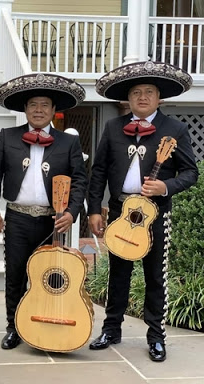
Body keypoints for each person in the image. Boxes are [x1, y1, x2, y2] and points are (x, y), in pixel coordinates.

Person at [88, 61, 198, 362]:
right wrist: (94, 209)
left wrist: (165, 187)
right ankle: (112, 330)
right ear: (128, 99)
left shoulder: (174, 129)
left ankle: (156, 337)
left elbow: (191, 172)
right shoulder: (112, 127)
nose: (142, 97)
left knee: (154, 276)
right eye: (136, 92)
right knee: (118, 275)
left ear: (159, 97)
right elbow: (98, 172)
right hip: (122, 209)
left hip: (156, 213)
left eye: (149, 92)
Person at [0, 73, 88, 350]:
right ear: (25, 109)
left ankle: (45, 322)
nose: (39, 110)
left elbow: (80, 180)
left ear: (54, 110)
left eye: (45, 105)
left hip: (52, 221)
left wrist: (73, 212)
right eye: (33, 105)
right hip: (17, 217)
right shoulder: (8, 136)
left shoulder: (67, 142)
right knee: (16, 273)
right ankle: (14, 327)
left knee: (50, 274)